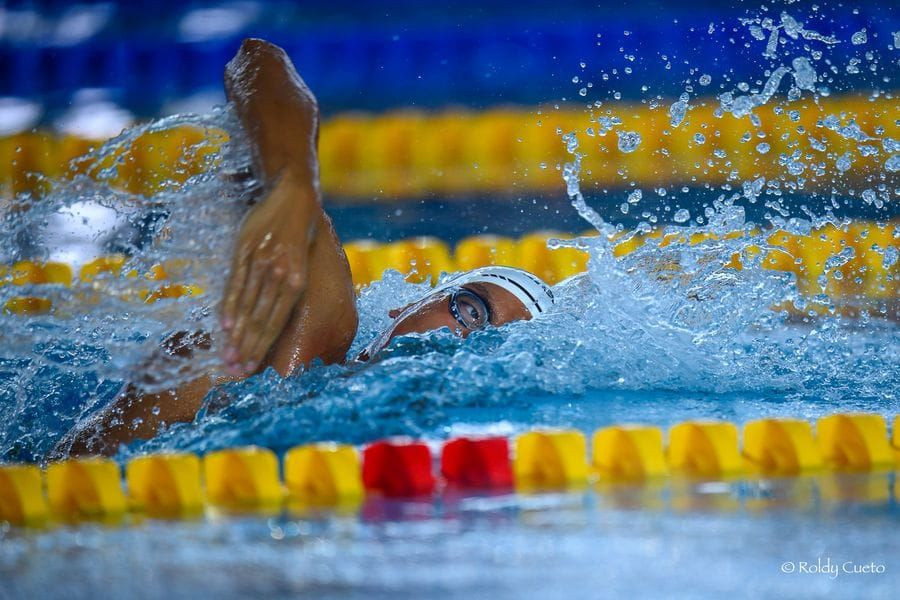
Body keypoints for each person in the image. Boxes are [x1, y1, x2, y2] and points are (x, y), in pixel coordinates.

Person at [53, 39, 554, 458]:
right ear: (408, 305)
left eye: (497, 350)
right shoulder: (316, 330)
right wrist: (293, 187)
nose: (466, 345)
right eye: (470, 312)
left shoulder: (367, 439)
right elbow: (257, 62)